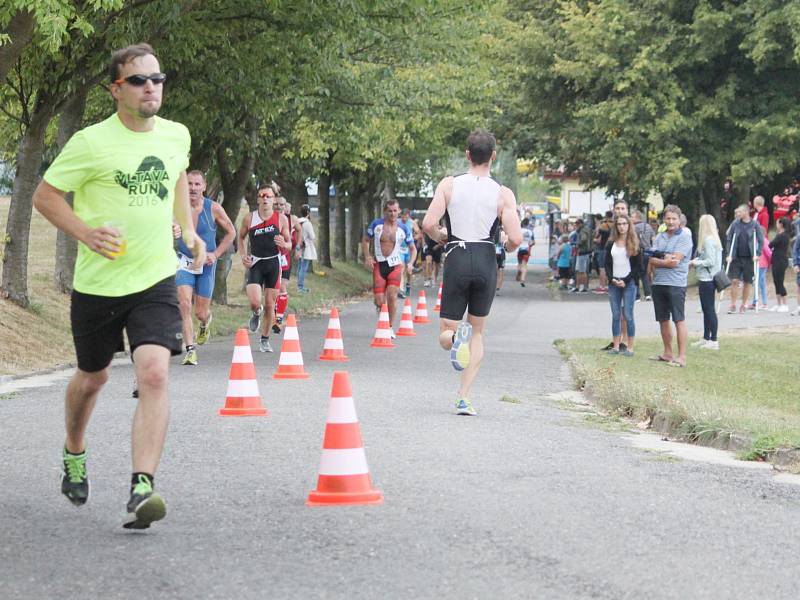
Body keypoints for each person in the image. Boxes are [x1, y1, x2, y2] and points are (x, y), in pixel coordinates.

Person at [32, 43, 205, 529]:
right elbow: (45, 197)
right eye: (138, 80)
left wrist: (188, 229)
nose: (151, 86)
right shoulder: (90, 142)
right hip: (100, 283)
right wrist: (85, 233)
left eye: (158, 78)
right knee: (94, 378)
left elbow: (174, 179)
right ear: (116, 90)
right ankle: (74, 449)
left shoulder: (176, 135)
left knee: (153, 372)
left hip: (154, 277)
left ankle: (142, 486)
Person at [422, 129, 522, 416]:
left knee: (446, 332)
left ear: (467, 154)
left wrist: (442, 236)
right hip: (486, 257)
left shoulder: (449, 185)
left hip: (456, 254)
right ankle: (464, 398)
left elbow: (429, 223)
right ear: (493, 155)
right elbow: (515, 240)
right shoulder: (503, 193)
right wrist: (503, 241)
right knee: (477, 330)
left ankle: (455, 341)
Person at [174, 170, 235, 365]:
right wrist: (173, 231)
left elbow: (231, 232)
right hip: (184, 261)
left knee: (200, 312)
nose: (192, 188)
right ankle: (190, 350)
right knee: (184, 304)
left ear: (204, 186)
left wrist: (215, 254)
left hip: (206, 264)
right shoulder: (176, 207)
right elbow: (169, 227)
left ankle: (205, 322)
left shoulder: (213, 208)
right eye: (189, 184)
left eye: (196, 184)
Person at [239, 183, 291, 353]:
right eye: (262, 196)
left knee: (270, 305)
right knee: (255, 302)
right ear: (257, 199)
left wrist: (284, 243)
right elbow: (240, 238)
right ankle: (255, 313)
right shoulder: (249, 218)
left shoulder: (281, 219)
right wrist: (243, 256)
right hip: (256, 263)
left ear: (273, 199)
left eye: (268, 196)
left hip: (273, 264)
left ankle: (265, 339)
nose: (265, 199)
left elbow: (289, 243)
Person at [647, 205, 693, 367]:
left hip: (676, 284)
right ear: (664, 220)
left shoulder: (685, 237)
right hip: (659, 282)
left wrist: (661, 260)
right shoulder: (660, 236)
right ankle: (667, 353)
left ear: (680, 220)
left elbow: (675, 262)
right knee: (663, 319)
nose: (671, 222)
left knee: (678, 319)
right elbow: (650, 258)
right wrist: (664, 260)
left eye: (674, 219)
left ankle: (681, 356)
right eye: (668, 218)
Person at [363, 199, 416, 330]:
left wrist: (410, 263)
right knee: (379, 301)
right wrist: (367, 256)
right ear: (385, 212)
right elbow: (365, 240)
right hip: (379, 265)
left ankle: (389, 327)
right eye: (390, 211)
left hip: (395, 266)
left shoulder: (403, 228)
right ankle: (381, 310)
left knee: (392, 297)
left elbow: (413, 248)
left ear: (398, 211)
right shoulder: (376, 224)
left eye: (395, 211)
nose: (393, 214)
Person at [604, 215, 640, 356]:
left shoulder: (634, 243)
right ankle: (616, 345)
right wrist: (611, 278)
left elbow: (638, 267)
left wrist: (626, 279)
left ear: (629, 225)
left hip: (628, 283)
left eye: (625, 223)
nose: (622, 226)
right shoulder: (611, 243)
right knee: (616, 315)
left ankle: (630, 346)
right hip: (614, 282)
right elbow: (606, 263)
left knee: (628, 315)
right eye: (619, 224)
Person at [689, 215, 723, 349]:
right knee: (706, 308)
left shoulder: (708, 240)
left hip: (707, 279)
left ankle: (713, 340)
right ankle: (706, 337)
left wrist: (695, 262)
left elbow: (710, 261)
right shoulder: (715, 239)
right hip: (710, 278)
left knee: (709, 309)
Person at [725, 204, 765, 314]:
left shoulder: (754, 224)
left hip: (749, 258)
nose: (738, 214)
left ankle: (744, 303)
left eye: (740, 212)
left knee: (748, 282)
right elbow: (729, 239)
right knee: (734, 280)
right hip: (736, 257)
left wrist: (757, 253)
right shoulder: (735, 224)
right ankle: (732, 304)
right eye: (737, 212)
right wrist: (729, 254)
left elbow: (761, 240)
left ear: (746, 212)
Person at [272, 194, 301, 333]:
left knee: (282, 287)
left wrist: (298, 247)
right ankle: (271, 314)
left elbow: (299, 230)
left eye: (281, 205)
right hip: (268, 257)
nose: (278, 207)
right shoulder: (267, 217)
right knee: (271, 289)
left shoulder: (291, 219)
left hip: (284, 257)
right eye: (276, 204)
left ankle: (278, 318)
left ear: (285, 206)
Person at [769, 217, 791, 312]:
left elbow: (771, 244)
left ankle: (785, 304)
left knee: (780, 281)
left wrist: (772, 244)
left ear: (781, 224)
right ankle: (779, 304)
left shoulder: (783, 236)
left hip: (781, 260)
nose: (776, 225)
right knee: (776, 281)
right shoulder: (780, 235)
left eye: (777, 223)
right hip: (776, 259)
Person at [632, 209, 654, 301]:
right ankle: (648, 294)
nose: (630, 218)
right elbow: (653, 238)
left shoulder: (633, 228)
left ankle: (637, 296)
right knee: (644, 273)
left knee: (635, 273)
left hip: (638, 252)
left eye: (632, 216)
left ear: (636, 217)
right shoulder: (648, 226)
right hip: (648, 252)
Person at [296, 204, 316, 293]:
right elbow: (312, 236)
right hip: (306, 247)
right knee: (303, 268)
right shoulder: (307, 223)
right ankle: (300, 287)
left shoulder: (297, 221)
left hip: (299, 246)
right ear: (308, 212)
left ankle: (299, 286)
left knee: (300, 267)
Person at [593, 211, 612, 293]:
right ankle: (609, 285)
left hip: (602, 248)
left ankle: (602, 286)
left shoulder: (603, 226)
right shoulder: (614, 224)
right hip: (611, 248)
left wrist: (594, 239)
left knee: (602, 268)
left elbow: (598, 238)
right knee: (610, 267)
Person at [573, 217, 593, 293]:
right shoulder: (583, 230)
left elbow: (584, 239)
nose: (576, 225)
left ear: (581, 224)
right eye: (576, 224)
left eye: (577, 223)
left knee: (582, 271)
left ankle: (583, 287)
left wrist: (577, 244)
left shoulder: (583, 231)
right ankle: (578, 287)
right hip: (582, 253)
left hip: (583, 253)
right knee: (578, 270)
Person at [516, 218, 534, 287]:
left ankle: (519, 270)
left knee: (520, 263)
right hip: (526, 249)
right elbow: (533, 242)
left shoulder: (519, 231)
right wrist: (530, 244)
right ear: (527, 224)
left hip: (519, 249)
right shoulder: (530, 232)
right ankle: (522, 280)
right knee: (525, 265)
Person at [495, 224, 506, 292]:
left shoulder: (492, 231)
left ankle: (493, 285)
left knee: (494, 269)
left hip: (493, 251)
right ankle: (498, 286)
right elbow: (505, 243)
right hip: (501, 252)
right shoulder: (503, 232)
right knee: (501, 269)